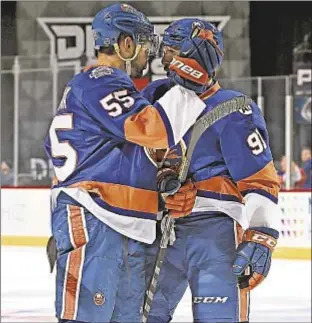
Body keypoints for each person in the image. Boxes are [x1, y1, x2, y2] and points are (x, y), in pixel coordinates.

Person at [44, 4, 203, 323]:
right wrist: (193, 81)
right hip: (96, 216)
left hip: (122, 223)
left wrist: (166, 187)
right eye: (144, 43)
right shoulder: (101, 79)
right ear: (125, 45)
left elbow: (135, 152)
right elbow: (152, 129)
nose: (149, 54)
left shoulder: (113, 91)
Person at [142, 18, 282, 323]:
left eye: (169, 51)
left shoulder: (232, 108)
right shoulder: (154, 98)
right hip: (161, 231)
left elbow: (259, 178)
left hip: (216, 234)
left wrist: (261, 233)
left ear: (189, 56)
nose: (162, 59)